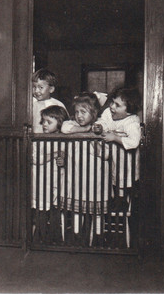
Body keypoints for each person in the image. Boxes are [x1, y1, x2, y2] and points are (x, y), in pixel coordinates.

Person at [60, 92, 108, 235]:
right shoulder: (71, 125)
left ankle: (99, 237)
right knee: (77, 209)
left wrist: (95, 139)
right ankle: (77, 236)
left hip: (95, 177)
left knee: (96, 211)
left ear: (93, 113)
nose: (79, 115)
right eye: (76, 112)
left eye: (83, 112)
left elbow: (105, 154)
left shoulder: (100, 127)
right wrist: (87, 131)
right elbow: (64, 128)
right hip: (76, 176)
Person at [93, 86, 142, 211]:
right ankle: (117, 200)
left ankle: (122, 202)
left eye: (117, 105)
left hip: (127, 162)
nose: (112, 107)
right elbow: (103, 121)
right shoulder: (108, 113)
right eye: (112, 102)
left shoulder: (132, 122)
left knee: (124, 181)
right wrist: (99, 126)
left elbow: (134, 141)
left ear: (129, 111)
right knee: (113, 179)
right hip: (113, 158)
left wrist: (115, 138)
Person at [31, 105, 68, 242]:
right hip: (41, 181)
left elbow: (67, 159)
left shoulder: (64, 140)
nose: (44, 124)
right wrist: (54, 154)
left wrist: (62, 161)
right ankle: (39, 237)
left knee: (55, 209)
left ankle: (55, 238)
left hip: (56, 181)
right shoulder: (39, 139)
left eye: (49, 122)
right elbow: (35, 159)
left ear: (59, 123)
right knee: (41, 210)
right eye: (43, 121)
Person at [32, 68, 68, 133]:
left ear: (51, 89)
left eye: (41, 87)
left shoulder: (57, 104)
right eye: (34, 87)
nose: (36, 91)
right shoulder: (31, 104)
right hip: (34, 141)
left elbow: (65, 125)